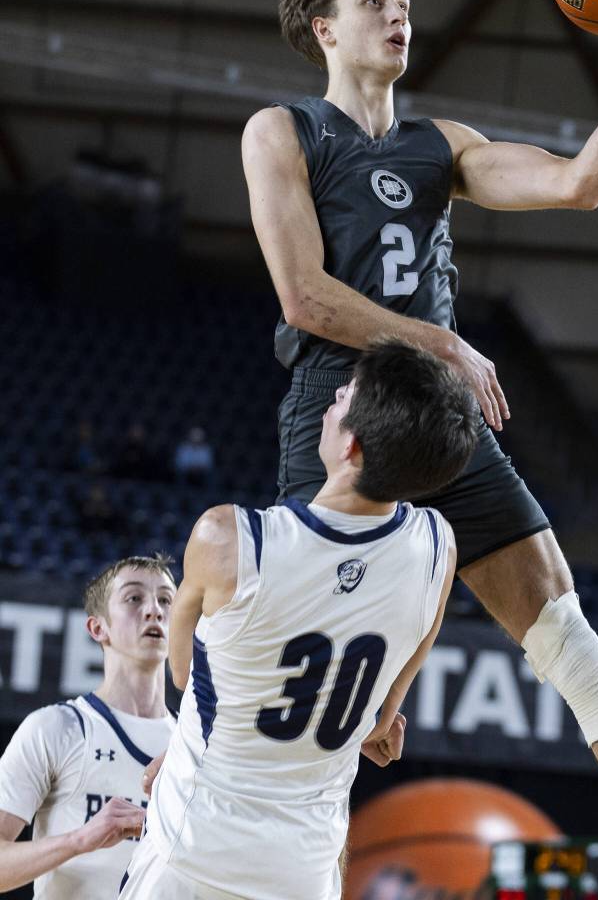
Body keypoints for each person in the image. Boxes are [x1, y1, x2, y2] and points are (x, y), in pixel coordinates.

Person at [241, 0, 598, 899]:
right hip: (343, 420)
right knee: (317, 695)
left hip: (446, 429)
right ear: (325, 29)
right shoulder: (283, 132)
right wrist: (440, 342)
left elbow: (580, 184)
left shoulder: (440, 143)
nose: (398, 11)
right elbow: (305, 299)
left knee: (571, 642)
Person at [119, 340, 478, 900]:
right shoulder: (438, 549)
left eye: (343, 397)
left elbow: (187, 674)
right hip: (304, 874)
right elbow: (380, 724)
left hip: (193, 853)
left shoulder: (230, 539)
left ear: (351, 445)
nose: (333, 398)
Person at [0, 555, 177, 898]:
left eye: (166, 600)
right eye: (134, 598)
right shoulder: (55, 728)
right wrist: (78, 840)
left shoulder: (195, 745)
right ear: (98, 628)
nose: (154, 610)